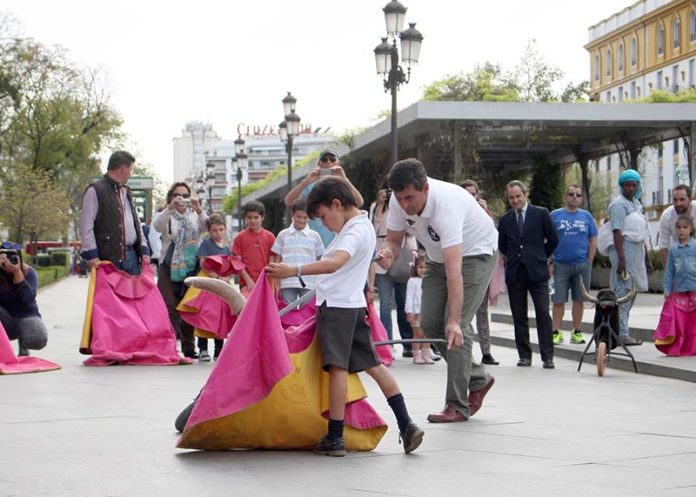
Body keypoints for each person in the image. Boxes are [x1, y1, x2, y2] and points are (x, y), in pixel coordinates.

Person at [266, 176, 424, 456]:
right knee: (375, 366)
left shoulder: (352, 233)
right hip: (352, 306)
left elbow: (334, 262)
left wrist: (294, 270)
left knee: (337, 368)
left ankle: (335, 436)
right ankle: (406, 423)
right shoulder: (361, 225)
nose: (325, 224)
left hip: (337, 308)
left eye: (324, 217)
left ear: (337, 204)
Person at [377, 158, 497, 423]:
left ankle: (457, 403)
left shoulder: (447, 206)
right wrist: (387, 251)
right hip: (437, 257)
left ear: (425, 189)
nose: (405, 204)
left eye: (410, 197)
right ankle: (478, 378)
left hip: (475, 253)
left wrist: (454, 320)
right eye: (400, 198)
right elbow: (394, 239)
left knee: (456, 327)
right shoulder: (398, 201)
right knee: (429, 323)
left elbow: (454, 271)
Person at [498, 180, 558, 369]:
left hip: (537, 271)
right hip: (516, 273)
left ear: (525, 195)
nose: (515, 200)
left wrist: (541, 256)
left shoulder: (541, 213)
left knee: (542, 313)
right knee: (519, 316)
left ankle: (547, 356)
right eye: (511, 198)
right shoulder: (505, 219)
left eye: (518, 196)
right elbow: (503, 245)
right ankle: (524, 355)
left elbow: (553, 239)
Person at [154, 182, 208, 359]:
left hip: (190, 266)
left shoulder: (194, 216)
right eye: (177, 195)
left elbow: (208, 227)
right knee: (169, 307)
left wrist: (199, 209)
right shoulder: (167, 215)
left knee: (188, 307)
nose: (180, 198)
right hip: (168, 267)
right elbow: (157, 226)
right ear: (171, 197)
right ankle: (169, 347)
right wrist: (169, 207)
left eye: (184, 194)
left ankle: (189, 348)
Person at [79, 150, 150, 275]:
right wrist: (91, 256)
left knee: (132, 295)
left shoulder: (126, 191)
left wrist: (144, 251)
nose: (131, 174)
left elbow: (136, 224)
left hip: (132, 257)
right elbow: (86, 226)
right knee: (108, 295)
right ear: (123, 169)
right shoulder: (95, 190)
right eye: (131, 170)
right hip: (107, 260)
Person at [369, 186, 416, 356]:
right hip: (381, 253)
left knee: (404, 301)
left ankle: (408, 342)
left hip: (402, 253)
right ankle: (387, 342)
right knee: (385, 304)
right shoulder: (375, 207)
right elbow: (372, 229)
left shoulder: (405, 206)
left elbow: (412, 229)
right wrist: (380, 206)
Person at [606, 169, 651, 346]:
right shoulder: (619, 204)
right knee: (622, 295)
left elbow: (642, 233)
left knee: (631, 294)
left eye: (634, 185)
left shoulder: (635, 203)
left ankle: (622, 330)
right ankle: (621, 333)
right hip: (623, 255)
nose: (631, 188)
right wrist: (621, 258)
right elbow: (617, 231)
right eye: (628, 185)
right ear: (622, 186)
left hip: (636, 256)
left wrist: (646, 258)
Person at [284, 149, 363, 247]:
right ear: (319, 164)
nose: (328, 162)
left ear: (338, 163)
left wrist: (344, 179)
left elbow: (359, 202)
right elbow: (288, 201)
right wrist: (306, 181)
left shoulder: (343, 185)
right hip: (315, 241)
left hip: (339, 239)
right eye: (324, 160)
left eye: (332, 159)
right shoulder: (310, 186)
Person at [550, 185, 598, 345]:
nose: (575, 197)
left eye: (578, 195)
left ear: (581, 199)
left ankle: (576, 332)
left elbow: (593, 239)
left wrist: (589, 262)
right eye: (571, 194)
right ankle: (555, 332)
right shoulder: (555, 215)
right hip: (560, 265)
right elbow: (547, 239)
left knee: (579, 300)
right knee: (558, 300)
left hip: (581, 265)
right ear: (566, 196)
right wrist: (549, 261)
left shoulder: (587, 216)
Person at [460, 179, 498, 365]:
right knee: (462, 314)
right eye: (466, 194)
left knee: (482, 313)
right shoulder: (456, 213)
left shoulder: (484, 213)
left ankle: (486, 351)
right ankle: (465, 352)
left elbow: (492, 235)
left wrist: (485, 211)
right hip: (460, 269)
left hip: (481, 268)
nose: (471, 197)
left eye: (473, 194)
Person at [655, 214, 696, 356]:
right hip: (679, 291)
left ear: (691, 229)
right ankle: (678, 347)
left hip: (694, 290)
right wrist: (667, 289)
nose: (682, 230)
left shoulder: (695, 246)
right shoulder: (673, 249)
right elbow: (669, 271)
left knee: (693, 323)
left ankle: (693, 348)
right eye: (679, 227)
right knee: (680, 323)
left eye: (685, 227)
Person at [270, 199, 324, 305]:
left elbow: (320, 259)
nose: (301, 220)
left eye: (305, 217)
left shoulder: (315, 236)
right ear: (292, 215)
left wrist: (319, 280)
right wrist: (277, 279)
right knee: (287, 311)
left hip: (309, 282)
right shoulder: (283, 235)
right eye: (298, 217)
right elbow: (277, 258)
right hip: (287, 282)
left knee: (308, 312)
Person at [0, 245, 47, 356]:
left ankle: (24, 342)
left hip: (26, 315)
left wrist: (17, 273)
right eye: (5, 257)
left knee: (37, 339)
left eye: (13, 256)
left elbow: (28, 299)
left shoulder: (28, 272)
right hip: (3, 320)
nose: (9, 261)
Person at [195, 214, 231, 361]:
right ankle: (202, 348)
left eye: (221, 230)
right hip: (208, 284)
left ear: (225, 229)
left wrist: (226, 278)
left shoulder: (227, 248)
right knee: (204, 316)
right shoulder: (206, 244)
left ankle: (219, 349)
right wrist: (215, 277)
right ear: (209, 231)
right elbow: (202, 263)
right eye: (215, 230)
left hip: (221, 285)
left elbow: (230, 267)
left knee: (221, 317)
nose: (218, 233)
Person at [231, 200, 276, 295]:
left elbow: (271, 263)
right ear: (245, 218)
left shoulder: (270, 237)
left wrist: (268, 281)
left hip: (266, 283)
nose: (253, 221)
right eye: (249, 218)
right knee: (247, 307)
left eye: (256, 217)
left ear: (262, 217)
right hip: (246, 284)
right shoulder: (240, 238)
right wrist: (248, 280)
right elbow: (237, 263)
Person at [658, 185, 696, 268]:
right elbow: (663, 246)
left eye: (682, 200)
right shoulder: (667, 216)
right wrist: (669, 274)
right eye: (675, 200)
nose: (678, 203)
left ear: (690, 199)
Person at [405, 252, 433, 364]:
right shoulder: (412, 281)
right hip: (417, 312)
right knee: (417, 333)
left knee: (426, 334)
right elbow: (409, 297)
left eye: (426, 267)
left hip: (428, 311)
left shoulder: (431, 281)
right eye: (421, 267)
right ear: (415, 267)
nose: (423, 270)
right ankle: (416, 355)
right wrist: (409, 312)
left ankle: (426, 354)